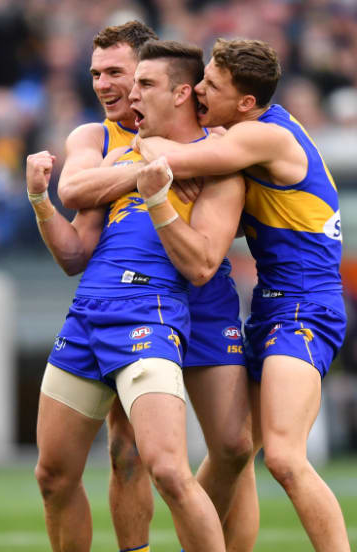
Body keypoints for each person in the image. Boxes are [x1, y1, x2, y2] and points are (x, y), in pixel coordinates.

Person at [31, 23, 259, 552]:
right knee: (123, 449)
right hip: (111, 298)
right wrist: (149, 173)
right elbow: (74, 193)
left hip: (188, 300)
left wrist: (171, 168)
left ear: (160, 79)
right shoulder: (101, 138)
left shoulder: (212, 137)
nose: (109, 88)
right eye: (96, 74)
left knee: (229, 449)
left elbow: (230, 179)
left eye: (121, 74)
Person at [136, 38, 351, 550]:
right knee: (234, 453)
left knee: (282, 457)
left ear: (247, 103)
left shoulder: (264, 137)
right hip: (273, 305)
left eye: (211, 85)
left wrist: (145, 144)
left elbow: (176, 156)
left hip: (306, 307)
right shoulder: (249, 133)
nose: (200, 91)